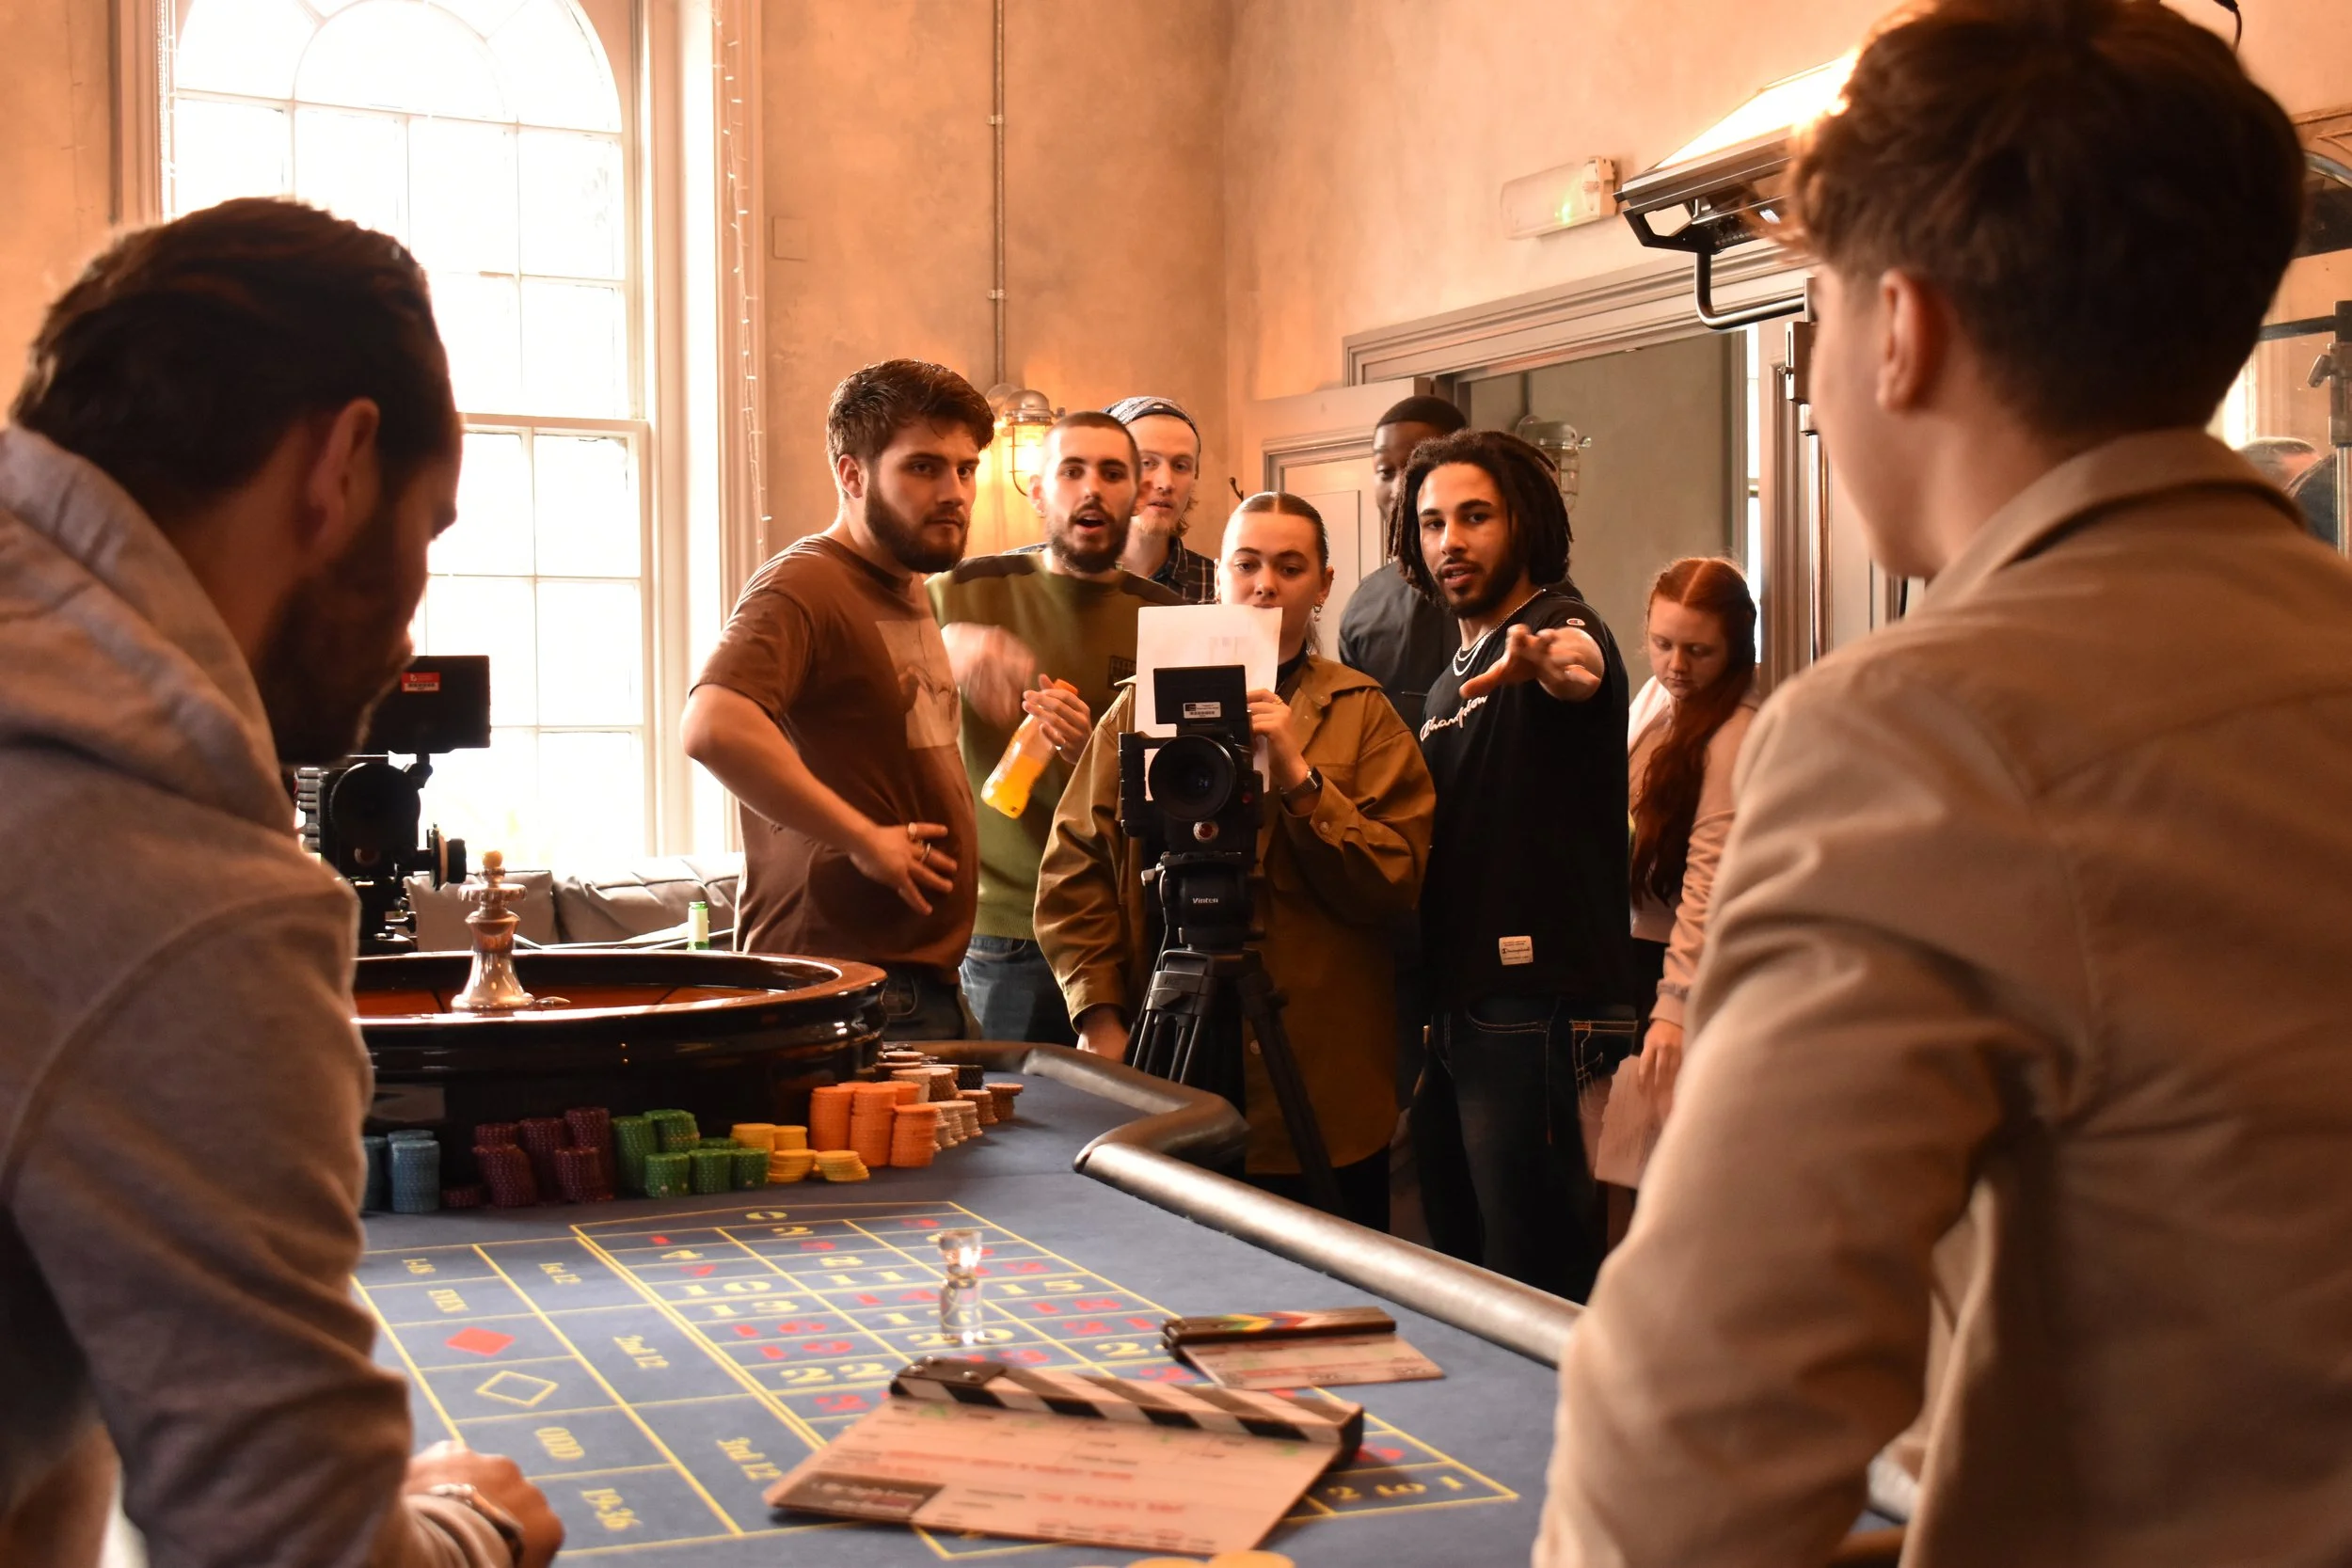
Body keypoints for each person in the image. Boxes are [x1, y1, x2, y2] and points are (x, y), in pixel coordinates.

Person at [1541, 3, 2352, 1564]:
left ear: (1900, 329)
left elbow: (1697, 1449)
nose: (1815, 381)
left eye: (1815, 313)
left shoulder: (1909, 733)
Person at [0, 198, 560, 1566]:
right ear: (340, 463)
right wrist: (467, 1527)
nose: (414, 616)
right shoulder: (179, 887)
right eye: (428, 527)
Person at [1036, 493, 1435, 1230]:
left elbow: (1396, 877)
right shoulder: (1141, 705)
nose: (1265, 585)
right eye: (1246, 564)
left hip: (1317, 1068)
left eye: (1290, 567)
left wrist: (1300, 778)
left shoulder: (1362, 713)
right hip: (1168, 1042)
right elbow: (1074, 867)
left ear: (1323, 583)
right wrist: (1098, 1013)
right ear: (1218, 576)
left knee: (1332, 1267)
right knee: (1172, 1260)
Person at [685, 359, 991, 1040]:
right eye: (924, 467)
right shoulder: (803, 584)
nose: (954, 492)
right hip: (843, 991)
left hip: (917, 982)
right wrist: (863, 838)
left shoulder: (907, 585)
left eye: (966, 469)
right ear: (852, 475)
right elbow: (712, 725)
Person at [1399, 428, 1635, 1302]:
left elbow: (1579, 667)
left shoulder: (1558, 623)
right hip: (1461, 1011)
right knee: (1467, 1272)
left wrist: (1553, 665)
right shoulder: (1448, 681)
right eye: (1432, 523)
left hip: (1539, 1008)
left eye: (1475, 517)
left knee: (1539, 1281)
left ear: (1523, 522)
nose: (1450, 541)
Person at [931, 412, 1179, 1041]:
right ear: (1039, 493)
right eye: (1072, 471)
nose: (1092, 488)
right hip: (1002, 933)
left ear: (1137, 496)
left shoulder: (1169, 619)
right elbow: (859, 677)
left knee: (1125, 1107)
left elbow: (1186, 785)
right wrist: (942, 648)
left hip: (1124, 931)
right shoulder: (960, 591)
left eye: (1112, 473)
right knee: (1009, 1106)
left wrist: (1095, 753)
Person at [1624, 557, 1758, 1120]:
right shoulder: (1659, 696)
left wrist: (1674, 1005)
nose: (1675, 665)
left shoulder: (1735, 730)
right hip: (1641, 948)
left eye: (1698, 651)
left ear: (1734, 648)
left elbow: (1710, 880)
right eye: (1662, 645)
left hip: (1685, 963)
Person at [1336, 394, 1470, 734]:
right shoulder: (1365, 604)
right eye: (1385, 471)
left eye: (1415, 467)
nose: (1399, 487)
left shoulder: (1516, 584)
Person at [1108, 394, 1218, 603]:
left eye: (1180, 466)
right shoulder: (1046, 577)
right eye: (1146, 463)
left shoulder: (1217, 588)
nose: (1166, 483)